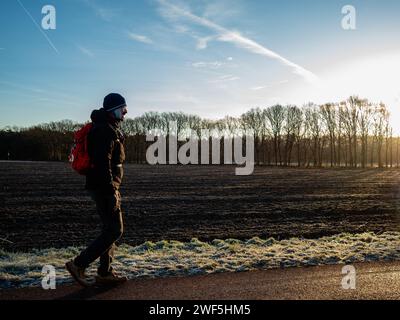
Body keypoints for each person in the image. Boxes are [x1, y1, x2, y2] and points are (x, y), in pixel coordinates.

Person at [66, 93, 128, 286]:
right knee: (115, 230)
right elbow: (103, 164)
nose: (125, 114)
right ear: (112, 110)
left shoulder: (105, 127)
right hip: (104, 188)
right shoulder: (104, 131)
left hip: (102, 186)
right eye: (122, 110)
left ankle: (105, 273)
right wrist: (111, 191)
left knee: (109, 229)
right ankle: (78, 264)